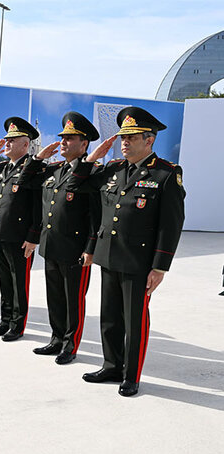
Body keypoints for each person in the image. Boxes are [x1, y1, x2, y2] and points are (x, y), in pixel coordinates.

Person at [70, 106, 185, 397]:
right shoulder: (114, 169)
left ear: (149, 140)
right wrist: (93, 157)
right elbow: (76, 183)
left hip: (139, 261)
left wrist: (160, 266)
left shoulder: (166, 174)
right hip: (109, 255)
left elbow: (170, 224)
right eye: (123, 137)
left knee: (135, 321)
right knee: (109, 316)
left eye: (132, 138)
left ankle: (131, 375)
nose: (124, 142)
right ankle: (111, 365)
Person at [24, 112, 100, 364]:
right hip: (51, 245)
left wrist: (90, 248)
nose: (64, 142)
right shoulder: (54, 169)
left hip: (75, 249)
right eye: (63, 138)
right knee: (54, 296)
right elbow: (25, 182)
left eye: (70, 138)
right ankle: (56, 338)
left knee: (73, 300)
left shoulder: (90, 173)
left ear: (84, 143)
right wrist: (37, 159)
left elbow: (94, 216)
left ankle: (70, 344)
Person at [0, 117, 41, 342]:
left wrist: (33, 236)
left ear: (25, 145)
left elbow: (38, 205)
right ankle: (5, 320)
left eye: (12, 140)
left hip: (20, 238)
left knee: (19, 283)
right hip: (1, 234)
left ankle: (17, 325)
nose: (6, 143)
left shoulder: (33, 169)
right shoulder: (2, 168)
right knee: (5, 281)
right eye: (6, 139)